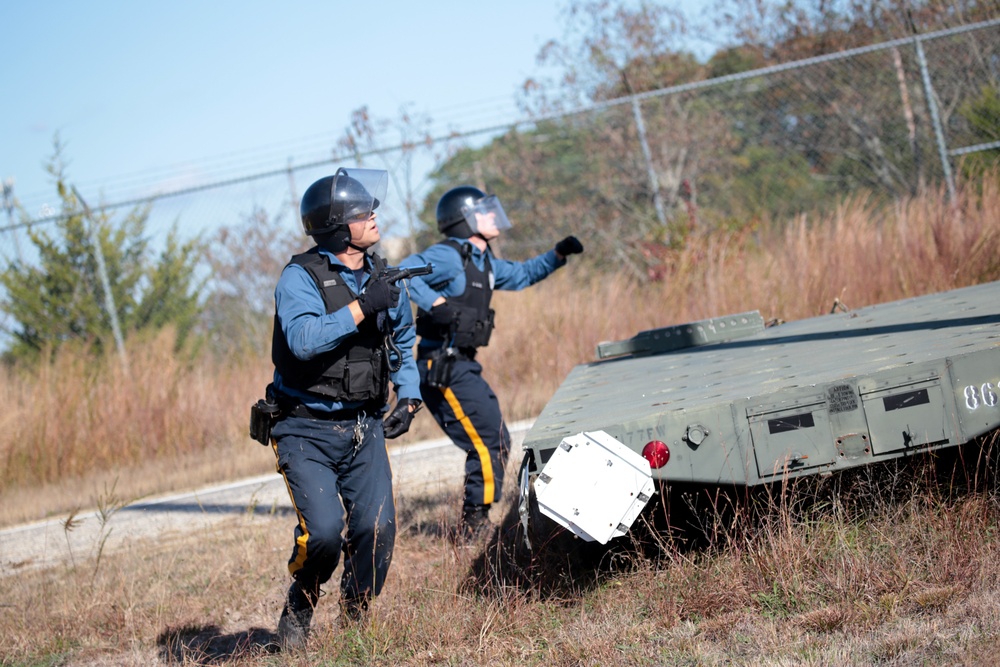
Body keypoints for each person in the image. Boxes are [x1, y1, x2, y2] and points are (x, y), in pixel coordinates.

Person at [264, 168, 422, 650]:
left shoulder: (382, 275)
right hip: (304, 428)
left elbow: (404, 340)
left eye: (370, 208)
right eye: (359, 212)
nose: (372, 215)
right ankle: (303, 598)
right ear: (336, 228)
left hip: (362, 427)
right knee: (326, 534)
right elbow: (305, 341)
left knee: (377, 529)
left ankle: (355, 619)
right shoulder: (299, 278)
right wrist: (361, 307)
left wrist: (409, 394)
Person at [399, 185, 583, 538]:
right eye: (484, 211)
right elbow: (401, 275)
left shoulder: (483, 262)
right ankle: (474, 524)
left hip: (462, 364)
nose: (493, 215)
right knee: (489, 439)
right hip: (441, 366)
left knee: (495, 436)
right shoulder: (449, 256)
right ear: (464, 220)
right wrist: (435, 304)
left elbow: (524, 274)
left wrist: (558, 255)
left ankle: (476, 518)